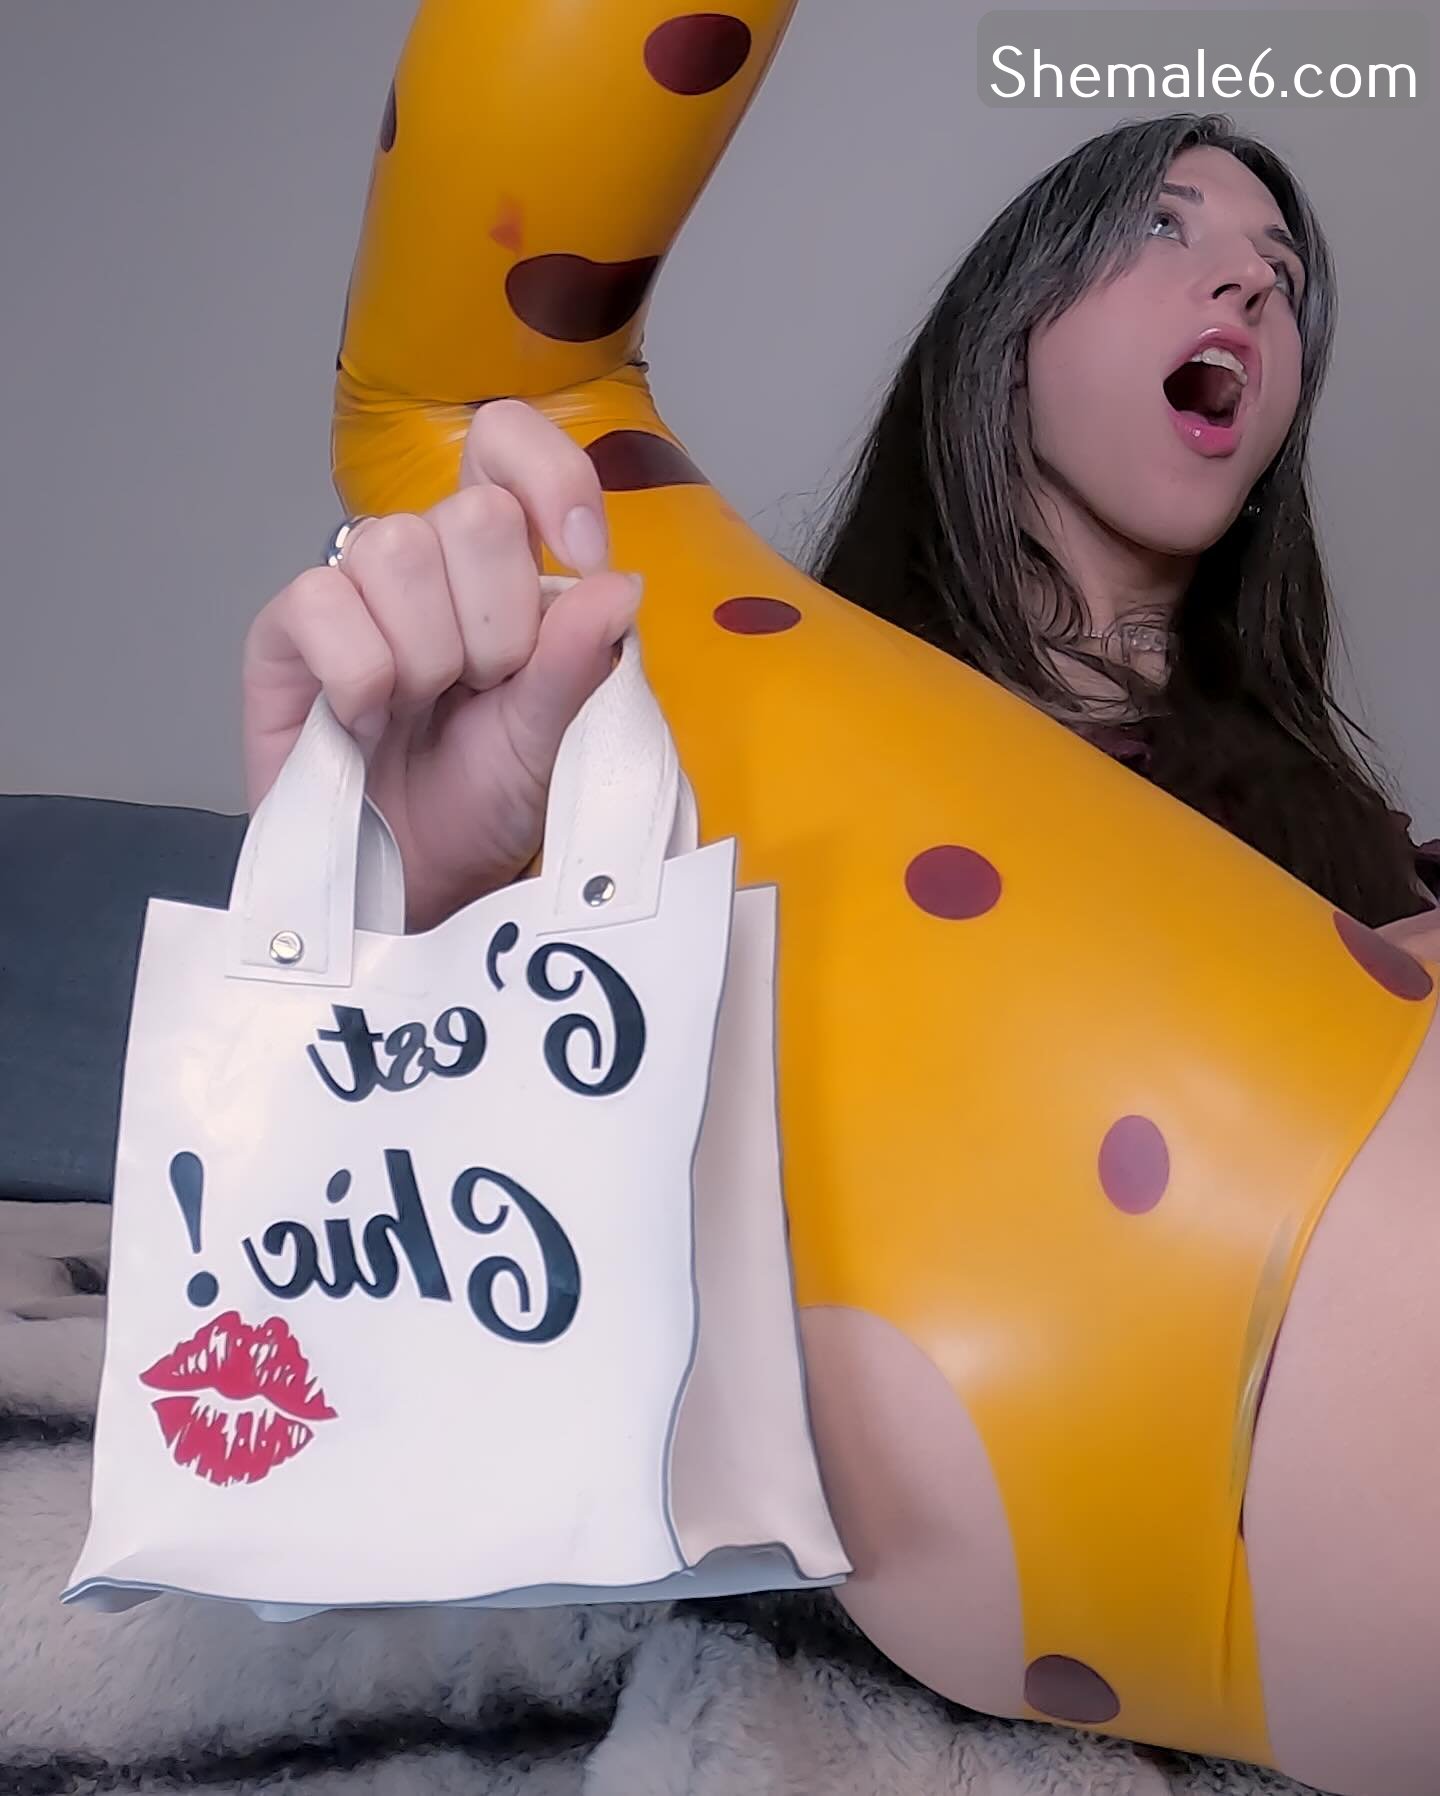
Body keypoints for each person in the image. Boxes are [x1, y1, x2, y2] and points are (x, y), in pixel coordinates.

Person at [245, 117, 1438, 957]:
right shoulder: (737, 745)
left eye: (1283, 274)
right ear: (1008, 342)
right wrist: (408, 897)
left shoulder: (1347, 843)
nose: (1251, 284)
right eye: (1165, 227)